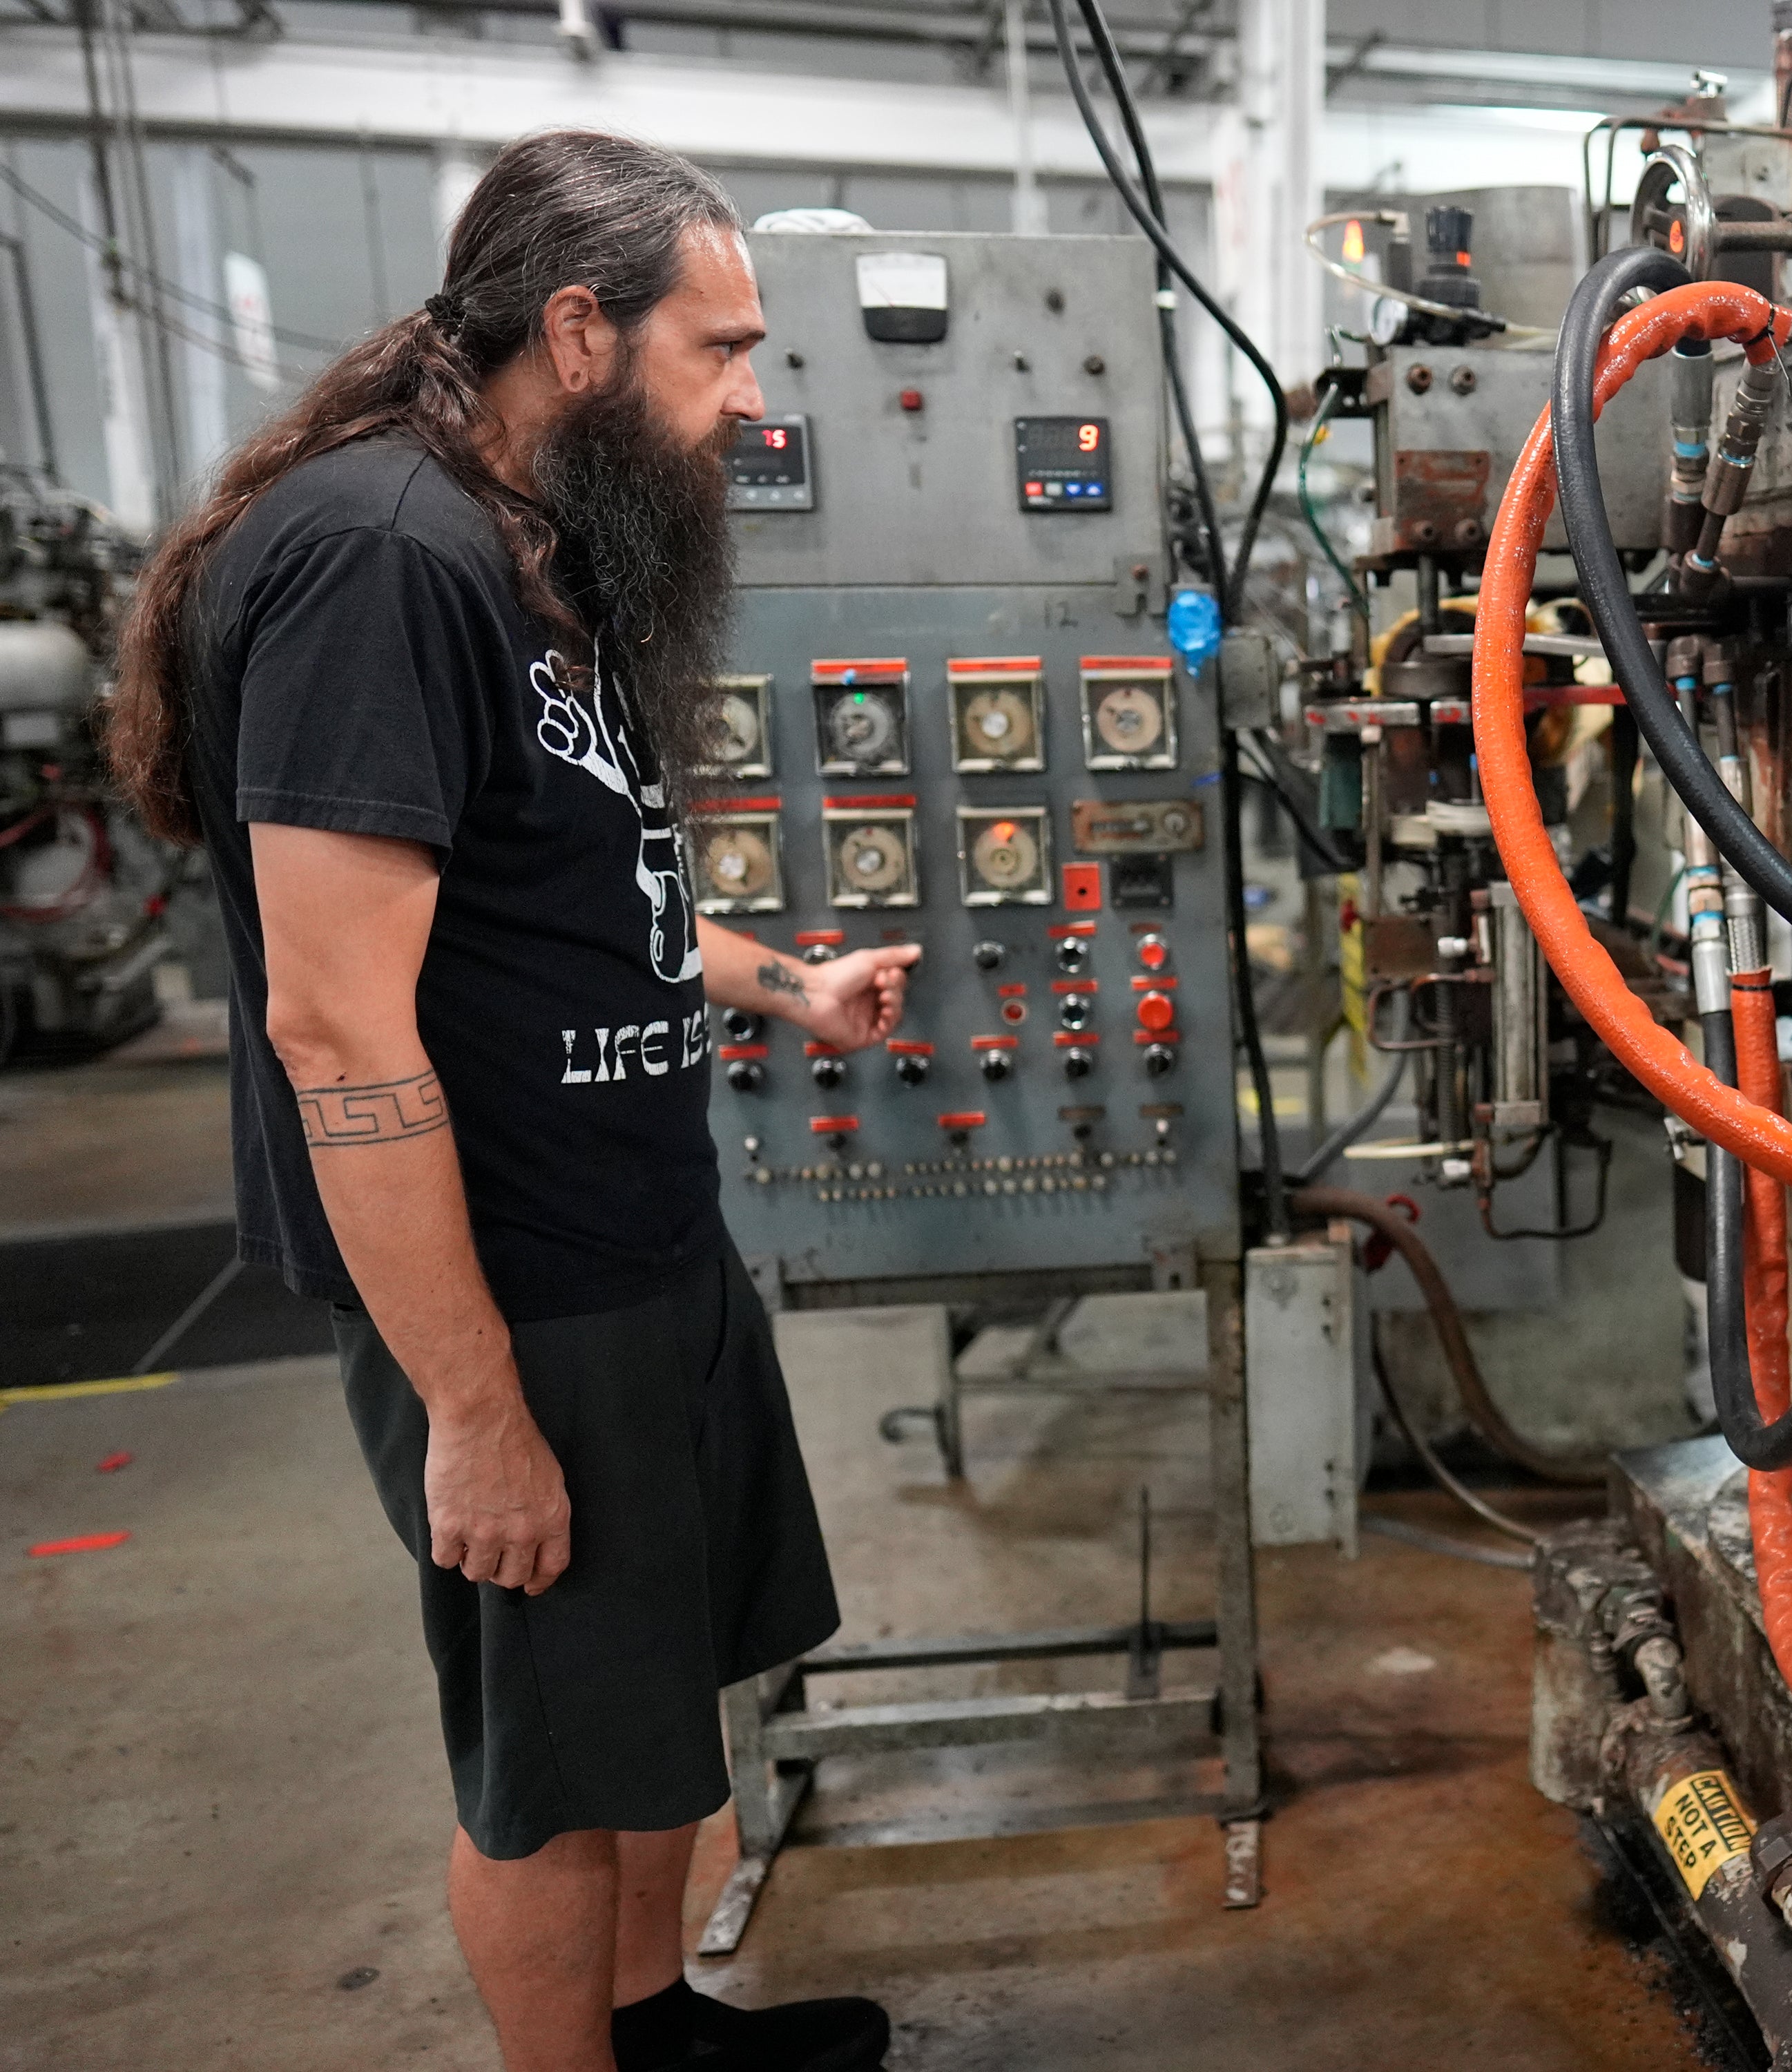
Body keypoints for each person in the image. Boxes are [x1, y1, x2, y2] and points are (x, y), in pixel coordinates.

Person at [107, 130, 901, 2072]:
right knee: (549, 1764)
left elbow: (569, 894)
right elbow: (333, 1023)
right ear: (577, 329)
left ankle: (657, 2028)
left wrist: (783, 982)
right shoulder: (382, 560)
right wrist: (475, 1413)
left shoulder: (536, 546)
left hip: (636, 1244)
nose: (748, 394)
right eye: (715, 348)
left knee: (646, 1707)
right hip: (513, 1288)